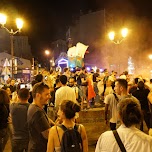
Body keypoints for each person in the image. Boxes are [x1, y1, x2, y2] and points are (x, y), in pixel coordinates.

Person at [27, 82, 55, 152]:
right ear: (38, 95)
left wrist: (55, 124)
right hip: (39, 149)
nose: (50, 97)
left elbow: (48, 120)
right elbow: (48, 135)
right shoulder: (38, 112)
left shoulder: (33, 107)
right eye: (47, 94)